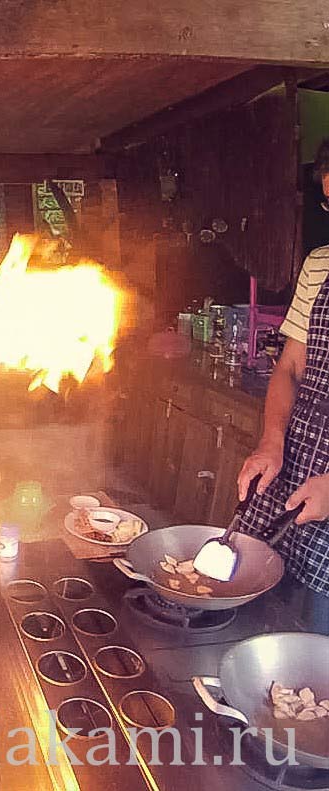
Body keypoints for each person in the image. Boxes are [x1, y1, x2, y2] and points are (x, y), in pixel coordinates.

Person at [238, 138, 329, 634]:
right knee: (256, 604)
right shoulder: (320, 265)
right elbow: (291, 367)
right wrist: (271, 441)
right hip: (297, 457)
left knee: (317, 639)